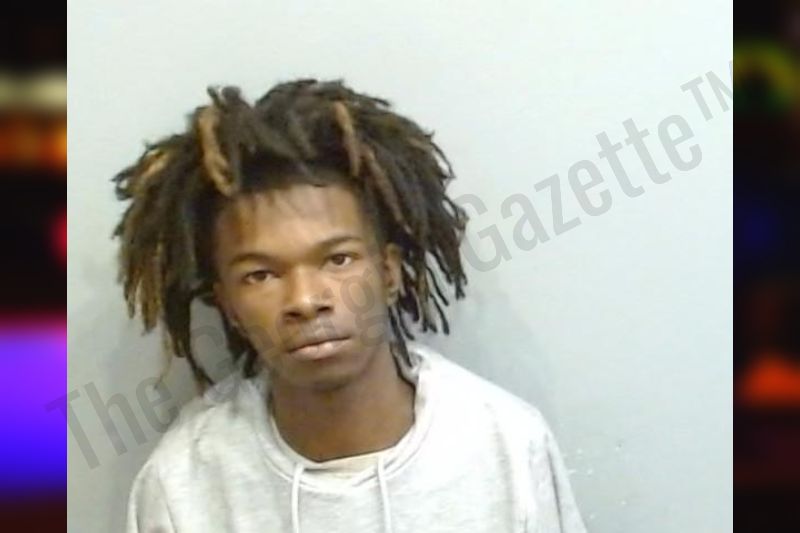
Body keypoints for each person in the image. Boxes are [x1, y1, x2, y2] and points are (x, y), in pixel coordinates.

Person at [116, 79, 586, 532]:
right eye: (261, 275)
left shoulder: (505, 447)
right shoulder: (184, 485)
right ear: (228, 305)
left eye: (338, 259)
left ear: (389, 272)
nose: (305, 301)